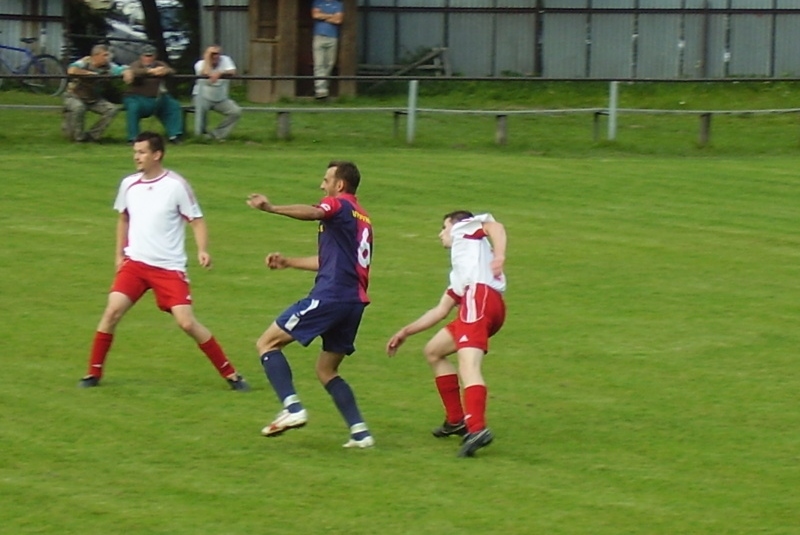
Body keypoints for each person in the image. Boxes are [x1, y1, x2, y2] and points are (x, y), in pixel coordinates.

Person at [79, 131, 249, 392]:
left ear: (157, 155)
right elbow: (123, 218)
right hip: (135, 264)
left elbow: (197, 219)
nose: (137, 157)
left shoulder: (176, 186)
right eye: (135, 152)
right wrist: (119, 254)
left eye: (142, 152)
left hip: (168, 268)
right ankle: (93, 373)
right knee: (112, 311)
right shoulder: (129, 185)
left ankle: (231, 375)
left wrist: (203, 249)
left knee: (186, 322)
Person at [245, 161, 374, 448]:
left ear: (340, 185)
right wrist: (289, 262)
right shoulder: (362, 216)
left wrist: (271, 208)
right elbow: (332, 262)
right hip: (354, 302)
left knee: (267, 343)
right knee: (327, 370)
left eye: (326, 179)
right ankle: (360, 433)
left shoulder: (337, 206)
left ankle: (292, 408)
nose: (322, 185)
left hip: (331, 296)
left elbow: (315, 211)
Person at [386, 211, 507, 458]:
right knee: (433, 351)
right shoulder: (462, 269)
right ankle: (456, 420)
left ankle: (477, 428)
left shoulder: (463, 229)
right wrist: (405, 331)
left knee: (468, 365)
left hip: (480, 298)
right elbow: (440, 310)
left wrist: (501, 256)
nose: (440, 233)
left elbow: (496, 227)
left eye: (443, 227)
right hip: (484, 303)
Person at [63, 44, 133, 142]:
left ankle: (93, 135)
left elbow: (120, 69)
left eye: (107, 55)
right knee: (79, 108)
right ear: (96, 55)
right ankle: (79, 138)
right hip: (74, 96)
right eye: (104, 55)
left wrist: (127, 72)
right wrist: (89, 74)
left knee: (111, 109)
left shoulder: (108, 65)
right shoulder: (85, 61)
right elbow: (71, 70)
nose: (107, 58)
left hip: (94, 98)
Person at [123, 44, 183, 144]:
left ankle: (175, 135)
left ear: (155, 56)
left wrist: (165, 71)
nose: (148, 58)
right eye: (145, 56)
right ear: (141, 56)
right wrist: (150, 71)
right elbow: (133, 71)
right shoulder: (136, 64)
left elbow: (172, 71)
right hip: (136, 97)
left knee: (173, 105)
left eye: (150, 56)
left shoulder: (160, 64)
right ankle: (133, 138)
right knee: (133, 108)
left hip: (158, 98)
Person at [192, 45, 241, 141]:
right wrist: (207, 58)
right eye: (212, 54)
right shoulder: (200, 64)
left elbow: (232, 71)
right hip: (202, 96)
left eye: (217, 54)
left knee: (235, 112)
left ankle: (216, 135)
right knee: (201, 109)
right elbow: (207, 74)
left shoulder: (225, 60)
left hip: (221, 98)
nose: (215, 56)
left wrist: (220, 73)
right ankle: (201, 135)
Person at [311, 0, 343, 99]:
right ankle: (320, 91)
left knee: (329, 64)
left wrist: (323, 16)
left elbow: (338, 20)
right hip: (319, 36)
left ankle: (324, 88)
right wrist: (331, 16)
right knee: (319, 64)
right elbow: (315, 15)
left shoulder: (338, 4)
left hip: (332, 38)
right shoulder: (317, 2)